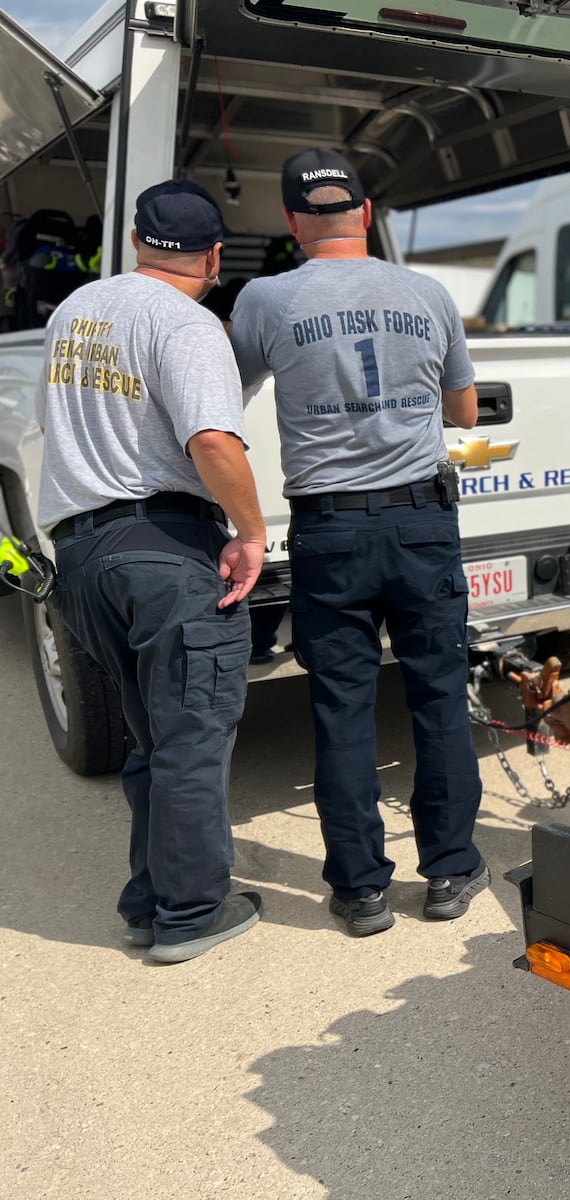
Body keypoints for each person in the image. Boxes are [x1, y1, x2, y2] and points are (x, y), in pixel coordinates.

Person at [228, 149, 488, 938]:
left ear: (291, 223)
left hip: (330, 528)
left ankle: (361, 892)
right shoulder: (427, 293)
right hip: (421, 522)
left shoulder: (265, 299)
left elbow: (225, 395)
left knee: (340, 704)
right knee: (438, 693)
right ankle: (449, 871)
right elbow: (467, 412)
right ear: (367, 215)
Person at [38, 180, 266, 963]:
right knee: (194, 736)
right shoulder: (188, 324)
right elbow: (211, 442)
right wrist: (252, 531)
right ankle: (193, 912)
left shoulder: (77, 309)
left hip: (82, 553)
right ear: (212, 256)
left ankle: (149, 899)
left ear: (137, 241)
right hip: (163, 551)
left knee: (151, 737)